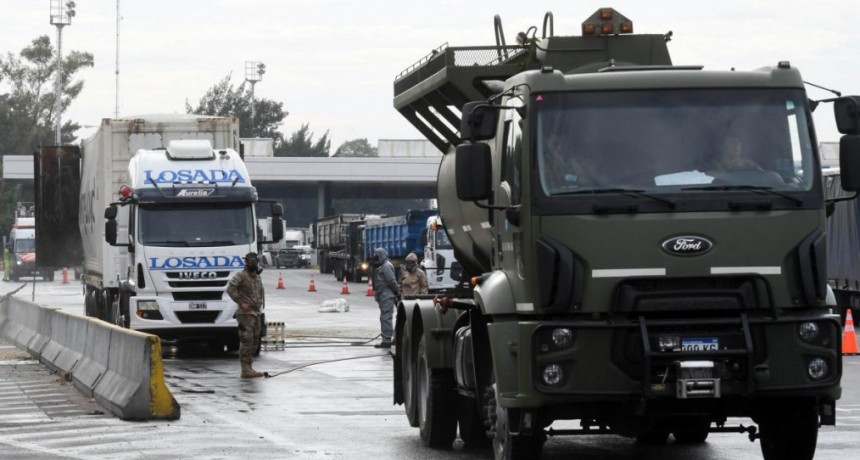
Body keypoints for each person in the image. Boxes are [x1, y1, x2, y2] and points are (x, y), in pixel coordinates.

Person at [226, 252, 266, 378]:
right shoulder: (241, 276)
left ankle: (250, 366)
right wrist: (241, 302)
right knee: (246, 340)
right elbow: (230, 289)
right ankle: (245, 369)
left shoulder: (257, 277)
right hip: (245, 314)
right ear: (246, 262)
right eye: (250, 261)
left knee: (255, 341)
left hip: (256, 313)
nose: (253, 263)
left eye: (255, 261)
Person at [371, 247, 400, 349]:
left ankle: (387, 340)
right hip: (383, 296)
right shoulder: (382, 266)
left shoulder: (386, 266)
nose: (376, 259)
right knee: (384, 318)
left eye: (377, 256)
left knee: (386, 318)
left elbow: (391, 281)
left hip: (387, 296)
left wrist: (398, 291)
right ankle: (386, 339)